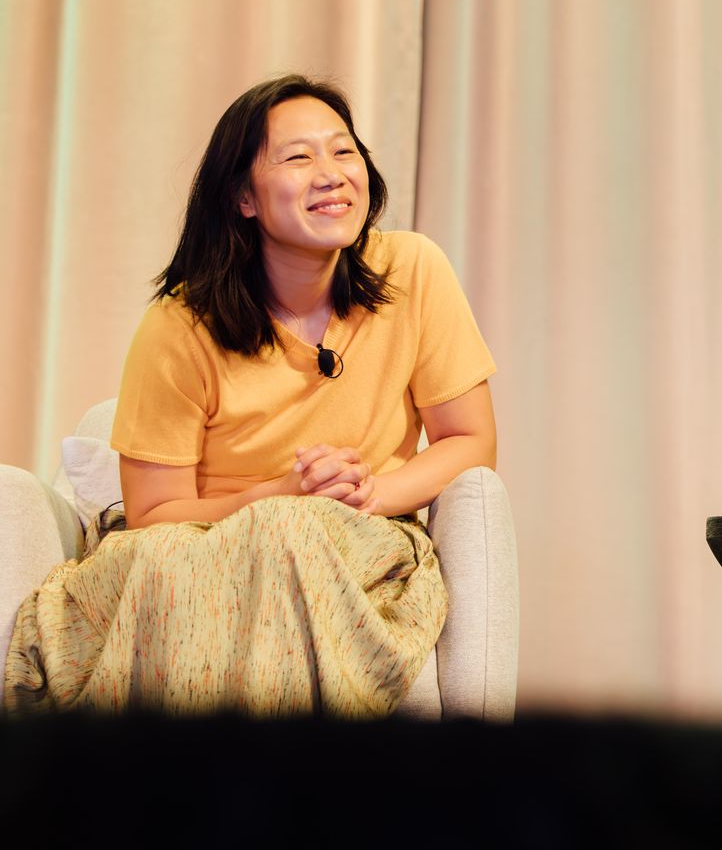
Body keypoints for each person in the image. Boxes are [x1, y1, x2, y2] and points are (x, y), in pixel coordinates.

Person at [5, 74, 497, 715]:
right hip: (202, 550)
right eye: (299, 157)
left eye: (344, 151)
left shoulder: (412, 271)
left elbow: (472, 439)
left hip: (358, 546)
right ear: (243, 197)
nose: (331, 174)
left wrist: (368, 493)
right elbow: (153, 515)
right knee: (225, 545)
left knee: (294, 532)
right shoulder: (180, 325)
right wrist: (279, 497)